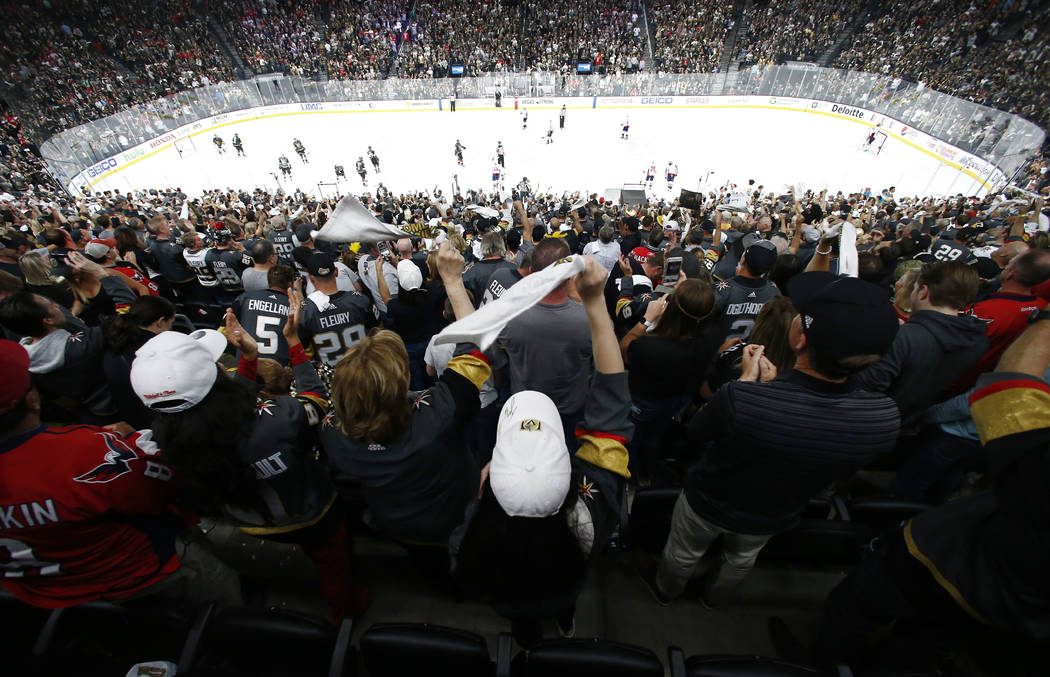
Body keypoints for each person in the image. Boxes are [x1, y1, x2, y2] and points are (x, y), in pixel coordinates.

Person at [647, 273, 901, 607]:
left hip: (710, 500)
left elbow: (695, 434)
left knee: (683, 552)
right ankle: (716, 600)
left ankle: (667, 593)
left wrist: (746, 387)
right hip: (778, 510)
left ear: (800, 338)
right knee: (741, 559)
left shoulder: (742, 396)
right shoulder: (884, 416)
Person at [812, 315, 1050, 668]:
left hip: (949, 566)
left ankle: (822, 659)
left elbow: (1009, 389)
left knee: (857, 607)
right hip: (1019, 622)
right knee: (923, 645)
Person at [132, 290, 366, 623]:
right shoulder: (275, 419)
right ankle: (348, 612)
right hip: (311, 513)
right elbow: (315, 401)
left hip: (244, 522)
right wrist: (294, 343)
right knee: (334, 565)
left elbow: (213, 409)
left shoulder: (160, 442)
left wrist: (250, 358)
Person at [452, 256, 633, 647]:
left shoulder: (469, 535)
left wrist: (454, 281)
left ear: (489, 476)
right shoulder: (592, 517)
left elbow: (475, 345)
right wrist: (595, 303)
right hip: (564, 583)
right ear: (570, 475)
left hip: (506, 597)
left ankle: (526, 637)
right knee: (564, 598)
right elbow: (612, 405)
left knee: (520, 617)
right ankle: (564, 621)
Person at [0, 339, 241, 609]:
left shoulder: (83, 450)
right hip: (130, 576)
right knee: (217, 583)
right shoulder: (83, 455)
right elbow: (165, 490)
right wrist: (130, 447)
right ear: (32, 399)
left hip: (28, 593)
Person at [321, 242, 486, 559]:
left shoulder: (333, 433)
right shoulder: (437, 416)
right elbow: (475, 349)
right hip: (451, 517)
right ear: (404, 382)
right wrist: (453, 281)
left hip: (393, 521)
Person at [856, 261, 988, 420]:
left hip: (874, 419)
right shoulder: (979, 339)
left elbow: (865, 389)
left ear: (923, 292)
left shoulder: (903, 338)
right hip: (917, 421)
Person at [619, 278, 720, 484]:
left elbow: (625, 348)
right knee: (658, 435)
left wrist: (646, 319)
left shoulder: (651, 346)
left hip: (644, 401)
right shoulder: (712, 338)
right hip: (678, 398)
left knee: (635, 438)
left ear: (672, 309)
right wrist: (686, 290)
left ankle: (632, 473)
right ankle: (649, 472)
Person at [494, 239, 592, 441]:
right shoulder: (589, 319)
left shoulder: (509, 315)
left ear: (530, 271)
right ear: (569, 276)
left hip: (525, 407)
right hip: (570, 409)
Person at [300, 252, 377, 367]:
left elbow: (305, 353)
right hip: (364, 372)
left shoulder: (306, 311)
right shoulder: (360, 300)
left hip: (334, 379)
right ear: (336, 272)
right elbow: (378, 335)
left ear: (311, 278)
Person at [713, 239, 781, 340]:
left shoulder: (721, 290)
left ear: (743, 259)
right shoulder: (774, 293)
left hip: (719, 351)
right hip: (752, 353)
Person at [233, 264, 298, 365]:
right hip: (279, 368)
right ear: (290, 284)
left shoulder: (245, 298)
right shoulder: (295, 306)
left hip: (246, 364)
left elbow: (228, 326)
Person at [462, 231, 516, 308]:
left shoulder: (471, 273)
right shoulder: (514, 270)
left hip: (481, 317)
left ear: (483, 246)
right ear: (501, 245)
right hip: (509, 316)